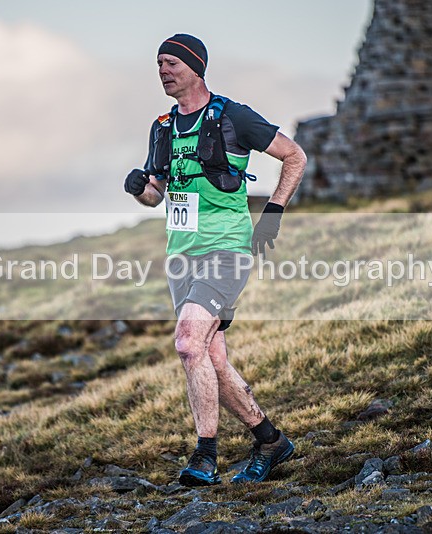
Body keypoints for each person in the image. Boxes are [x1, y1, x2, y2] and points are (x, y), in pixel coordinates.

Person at [124, 34, 306, 486]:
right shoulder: (163, 127)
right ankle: (270, 440)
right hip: (180, 256)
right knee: (212, 357)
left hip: (226, 249)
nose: (162, 71)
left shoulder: (233, 116)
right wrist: (138, 189)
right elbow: (157, 195)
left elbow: (294, 156)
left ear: (194, 66)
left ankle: (205, 455)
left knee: (187, 343)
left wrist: (274, 214)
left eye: (170, 62)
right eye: (158, 64)